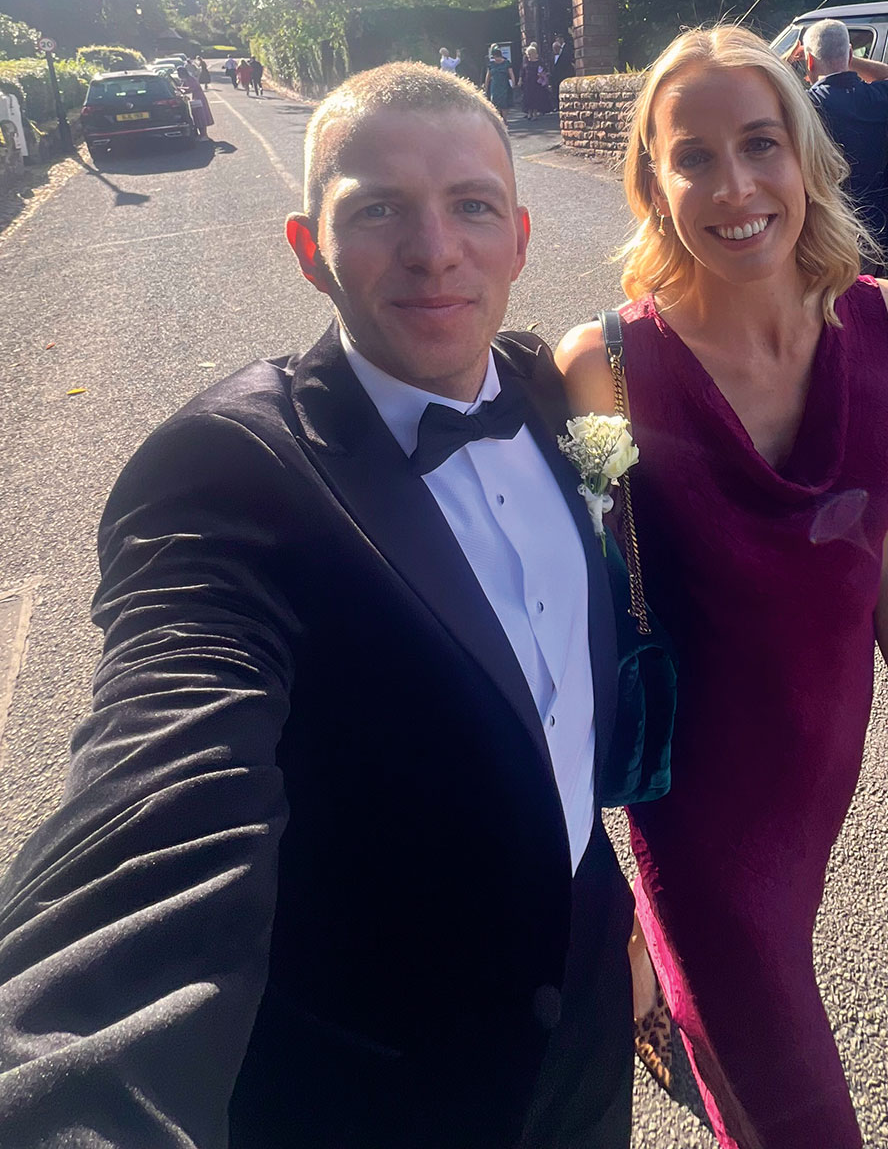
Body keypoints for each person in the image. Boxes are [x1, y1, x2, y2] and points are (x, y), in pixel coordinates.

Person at [0, 64, 635, 1149]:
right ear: (307, 250)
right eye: (378, 209)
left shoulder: (547, 391)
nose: (435, 250)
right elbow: (154, 802)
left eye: (472, 206)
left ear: (521, 240)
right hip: (380, 1085)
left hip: (584, 1020)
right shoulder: (226, 470)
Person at [557, 25, 888, 1149]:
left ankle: (686, 1000)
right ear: (652, 180)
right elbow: (573, 611)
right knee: (802, 1115)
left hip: (821, 776)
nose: (737, 185)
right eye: (692, 155)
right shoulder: (603, 368)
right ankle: (672, 954)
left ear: (808, 158)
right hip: (695, 807)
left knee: (753, 1040)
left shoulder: (886, 324)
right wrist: (596, 885)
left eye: (762, 144)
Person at [792, 18, 888, 238]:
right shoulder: (876, 97)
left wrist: (786, 61)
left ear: (809, 60)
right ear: (851, 54)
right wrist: (847, 58)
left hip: (826, 225)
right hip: (872, 223)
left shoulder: (806, 106)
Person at [176, 63, 213, 138]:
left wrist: (180, 88)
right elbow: (186, 89)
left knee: (201, 116)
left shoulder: (190, 79)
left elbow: (191, 88)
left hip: (199, 97)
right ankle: (202, 135)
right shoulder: (187, 79)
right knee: (197, 117)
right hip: (196, 97)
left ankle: (204, 135)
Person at [521, 43, 552, 121]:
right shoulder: (526, 62)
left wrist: (541, 74)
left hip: (536, 82)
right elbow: (523, 71)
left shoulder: (539, 62)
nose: (528, 56)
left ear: (533, 54)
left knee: (535, 97)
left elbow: (545, 70)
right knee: (528, 97)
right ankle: (529, 113)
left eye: (529, 54)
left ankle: (534, 113)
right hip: (527, 82)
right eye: (527, 55)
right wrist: (520, 79)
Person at [484, 44, 514, 116]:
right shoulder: (491, 64)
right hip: (495, 86)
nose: (496, 58)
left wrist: (513, 83)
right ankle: (498, 119)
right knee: (495, 102)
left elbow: (511, 73)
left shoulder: (506, 63)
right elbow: (488, 76)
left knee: (504, 103)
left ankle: (505, 120)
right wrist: (486, 87)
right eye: (495, 56)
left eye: (498, 56)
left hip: (504, 85)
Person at [550, 34, 575, 105]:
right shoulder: (554, 54)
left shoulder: (566, 48)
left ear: (562, 39)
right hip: (558, 75)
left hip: (565, 72)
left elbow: (567, 59)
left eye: (558, 39)